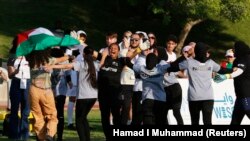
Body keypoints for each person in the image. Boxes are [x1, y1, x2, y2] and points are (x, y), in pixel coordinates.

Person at [45, 46, 98, 141]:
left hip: (83, 96)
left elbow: (66, 66)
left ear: (84, 54)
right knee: (83, 118)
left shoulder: (81, 64)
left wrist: (52, 65)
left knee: (78, 121)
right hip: (93, 96)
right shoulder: (96, 64)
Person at [178, 42, 232, 125]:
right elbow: (222, 70)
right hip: (208, 97)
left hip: (194, 97)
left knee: (195, 122)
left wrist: (183, 56)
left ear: (195, 51)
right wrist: (234, 69)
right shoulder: (210, 62)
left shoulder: (189, 62)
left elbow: (174, 66)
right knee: (207, 122)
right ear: (204, 52)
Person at [25, 48, 70, 141]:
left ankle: (41, 138)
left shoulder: (30, 61)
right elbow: (61, 59)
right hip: (45, 90)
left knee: (38, 116)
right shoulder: (48, 60)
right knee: (52, 115)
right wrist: (70, 56)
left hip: (33, 90)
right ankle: (50, 134)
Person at [214, 41, 250, 124]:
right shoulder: (237, 60)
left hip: (246, 95)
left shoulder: (245, 58)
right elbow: (233, 70)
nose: (233, 50)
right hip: (240, 96)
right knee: (234, 122)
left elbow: (239, 70)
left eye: (235, 48)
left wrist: (226, 76)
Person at [133, 53, 170, 125]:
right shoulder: (161, 68)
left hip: (147, 99)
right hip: (160, 99)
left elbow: (129, 64)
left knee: (148, 121)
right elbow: (175, 65)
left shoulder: (141, 69)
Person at [7, 36, 31, 140]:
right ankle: (14, 136)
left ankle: (24, 135)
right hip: (16, 83)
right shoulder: (13, 56)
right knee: (14, 110)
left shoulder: (29, 55)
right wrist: (15, 72)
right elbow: (10, 75)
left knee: (25, 111)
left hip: (27, 83)